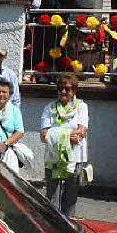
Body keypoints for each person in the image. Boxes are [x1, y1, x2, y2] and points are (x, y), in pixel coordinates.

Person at [40, 73, 89, 216]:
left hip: (74, 157)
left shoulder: (81, 107)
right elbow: (44, 134)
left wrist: (72, 134)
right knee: (52, 196)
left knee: (70, 197)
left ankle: (68, 226)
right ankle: (52, 227)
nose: (63, 92)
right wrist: (68, 135)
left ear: (74, 91)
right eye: (60, 88)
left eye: (67, 89)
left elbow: (82, 130)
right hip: (53, 158)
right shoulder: (49, 108)